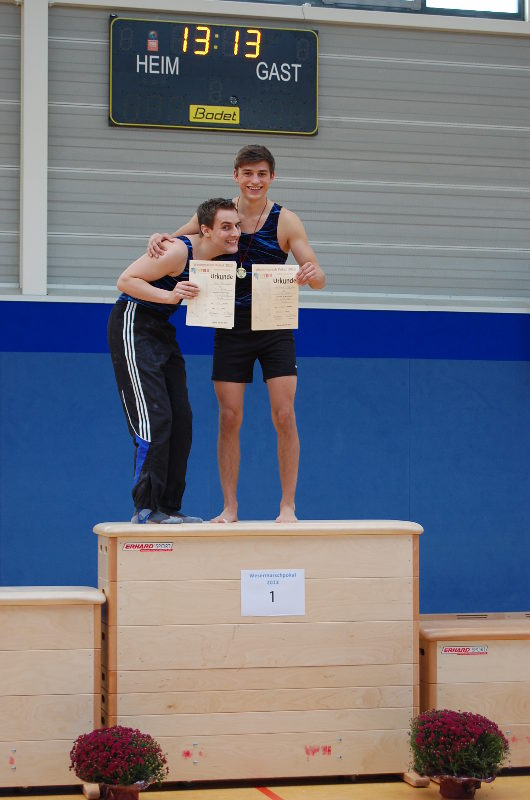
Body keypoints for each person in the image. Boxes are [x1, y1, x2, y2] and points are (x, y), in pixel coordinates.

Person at [147, 145, 325, 524]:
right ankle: (230, 507)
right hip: (230, 328)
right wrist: (157, 239)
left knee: (284, 414)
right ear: (235, 176)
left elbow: (318, 276)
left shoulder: (286, 221)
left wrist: (312, 275)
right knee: (229, 417)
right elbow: (176, 243)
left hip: (275, 328)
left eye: (261, 174)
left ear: (272, 177)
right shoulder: (218, 215)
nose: (254, 181)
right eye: (247, 173)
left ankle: (288, 507)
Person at [108, 198, 240, 524]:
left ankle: (167, 507)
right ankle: (145, 509)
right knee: (155, 419)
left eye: (237, 226)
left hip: (161, 330)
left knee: (181, 421)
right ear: (206, 230)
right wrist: (170, 295)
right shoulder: (179, 252)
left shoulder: (221, 251)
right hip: (134, 324)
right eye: (226, 227)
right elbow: (126, 280)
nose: (235, 232)